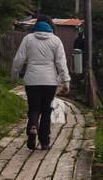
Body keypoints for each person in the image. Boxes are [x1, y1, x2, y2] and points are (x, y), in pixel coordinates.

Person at [12, 15, 71, 150]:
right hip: (50, 81)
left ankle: (33, 127)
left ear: (36, 25)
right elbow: (61, 63)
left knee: (33, 108)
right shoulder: (56, 41)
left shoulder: (28, 39)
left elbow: (18, 59)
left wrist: (14, 76)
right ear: (51, 25)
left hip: (32, 80)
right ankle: (45, 142)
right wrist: (66, 81)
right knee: (46, 111)